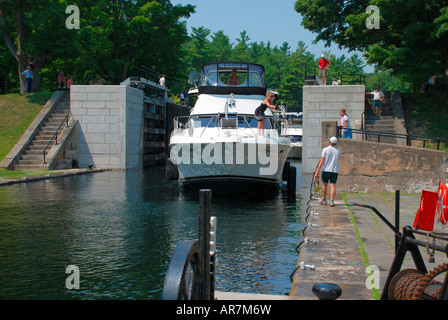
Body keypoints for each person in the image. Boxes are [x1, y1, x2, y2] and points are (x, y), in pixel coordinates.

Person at [315, 136, 341, 207]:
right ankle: (332, 201)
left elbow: (322, 161)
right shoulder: (338, 151)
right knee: (333, 185)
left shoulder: (325, 150)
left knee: (324, 184)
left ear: (329, 142)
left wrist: (317, 170)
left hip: (326, 169)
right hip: (335, 170)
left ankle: (324, 199)